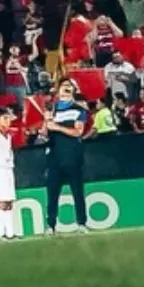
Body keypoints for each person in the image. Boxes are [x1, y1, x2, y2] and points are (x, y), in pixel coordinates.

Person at [42, 79, 91, 235]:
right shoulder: (52, 110)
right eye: (64, 86)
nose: (67, 89)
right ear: (58, 90)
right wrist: (47, 120)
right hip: (55, 157)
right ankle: (51, 225)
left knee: (77, 191)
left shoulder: (79, 110)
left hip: (72, 156)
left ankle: (81, 223)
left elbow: (78, 132)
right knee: (52, 192)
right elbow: (44, 134)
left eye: (69, 86)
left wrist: (56, 127)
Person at [0, 107, 21, 240]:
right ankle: (1, 233)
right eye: (4, 118)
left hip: (8, 168)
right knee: (2, 202)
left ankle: (10, 232)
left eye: (8, 118)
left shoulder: (7, 136)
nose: (8, 121)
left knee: (9, 202)